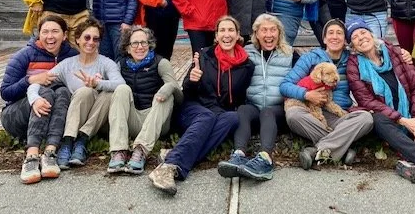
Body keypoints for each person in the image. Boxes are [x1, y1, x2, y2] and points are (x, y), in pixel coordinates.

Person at [345, 18, 415, 194]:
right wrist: (404, 121)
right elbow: (367, 102)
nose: (361, 38)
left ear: (371, 35)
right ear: (352, 46)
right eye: (354, 37)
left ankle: (411, 162)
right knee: (377, 119)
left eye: (363, 32)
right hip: (389, 123)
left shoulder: (395, 53)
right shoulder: (354, 66)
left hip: (411, 114)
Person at [148, 16, 255, 195]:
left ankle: (175, 155)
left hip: (219, 113)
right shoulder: (204, 55)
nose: (226, 34)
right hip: (193, 109)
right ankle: (168, 167)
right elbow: (186, 91)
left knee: (233, 118)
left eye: (231, 30)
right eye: (222, 30)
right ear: (216, 36)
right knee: (207, 115)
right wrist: (192, 80)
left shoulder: (247, 66)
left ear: (238, 35)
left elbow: (239, 98)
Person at [27, 17, 125, 169]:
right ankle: (68, 142)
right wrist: (35, 99)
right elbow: (38, 83)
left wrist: (97, 84)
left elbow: (121, 84)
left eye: (96, 39)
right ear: (78, 39)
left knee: (109, 94)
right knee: (84, 92)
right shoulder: (67, 65)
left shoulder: (106, 63)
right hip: (77, 115)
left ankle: (81, 141)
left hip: (99, 119)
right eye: (87, 37)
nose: (91, 42)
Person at [280, 19, 373, 169]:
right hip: (310, 113)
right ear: (324, 38)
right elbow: (285, 86)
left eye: (339, 33)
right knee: (293, 115)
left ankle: (316, 150)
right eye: (330, 33)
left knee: (366, 119)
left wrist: (403, 54)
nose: (334, 37)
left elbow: (376, 55)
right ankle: (342, 149)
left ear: (345, 40)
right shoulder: (311, 58)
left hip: (338, 115)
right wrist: (307, 95)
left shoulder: (353, 60)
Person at [217, 14, 300, 181]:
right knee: (243, 110)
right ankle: (238, 155)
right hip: (254, 106)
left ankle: (265, 159)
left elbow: (303, 78)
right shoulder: (246, 52)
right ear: (256, 33)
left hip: (278, 110)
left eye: (273, 30)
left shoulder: (290, 54)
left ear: (279, 33)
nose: (268, 35)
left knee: (267, 112)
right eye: (264, 30)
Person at [0, 15, 78, 184]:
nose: (50, 36)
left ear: (64, 35)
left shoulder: (72, 56)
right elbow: (6, 93)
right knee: (45, 92)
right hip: (17, 115)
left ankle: (50, 152)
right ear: (39, 34)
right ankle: (31, 156)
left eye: (55, 31)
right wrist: (31, 80)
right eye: (45, 32)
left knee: (63, 91)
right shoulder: (25, 55)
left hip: (53, 118)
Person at [107, 26, 182, 174]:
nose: (140, 47)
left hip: (156, 119)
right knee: (121, 89)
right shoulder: (120, 64)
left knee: (166, 95)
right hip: (133, 119)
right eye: (135, 43)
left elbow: (179, 98)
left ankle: (140, 150)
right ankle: (118, 150)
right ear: (127, 48)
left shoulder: (161, 63)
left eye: (144, 42)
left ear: (150, 44)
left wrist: (169, 88)